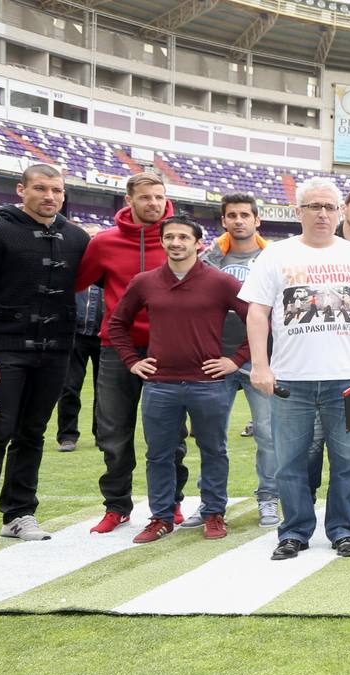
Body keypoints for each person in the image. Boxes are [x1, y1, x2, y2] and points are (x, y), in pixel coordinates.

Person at [242, 176, 350, 561]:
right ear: (298, 212)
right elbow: (257, 312)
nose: (322, 214)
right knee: (289, 463)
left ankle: (341, 529)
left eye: (328, 207)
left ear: (339, 212)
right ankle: (294, 532)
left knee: (348, 461)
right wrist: (260, 365)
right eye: (314, 207)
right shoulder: (275, 255)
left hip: (347, 377)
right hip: (291, 379)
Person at [0, 164, 89, 558]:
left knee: (32, 433)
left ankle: (19, 513)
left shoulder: (76, 237)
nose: (50, 196)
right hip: (3, 351)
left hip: (55, 351)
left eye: (57, 190)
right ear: (22, 190)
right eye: (42, 188)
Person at [107, 215, 248, 543]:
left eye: (183, 237)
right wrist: (132, 361)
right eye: (170, 237)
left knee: (214, 450)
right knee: (159, 454)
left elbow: (257, 318)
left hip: (209, 384)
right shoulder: (145, 281)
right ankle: (161, 516)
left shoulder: (220, 282)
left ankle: (213, 513)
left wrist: (235, 360)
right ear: (162, 241)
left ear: (197, 243)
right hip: (160, 385)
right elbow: (117, 325)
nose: (176, 243)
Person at [75, 170, 190, 534]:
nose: (153, 203)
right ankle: (117, 506)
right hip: (116, 349)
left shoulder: (179, 239)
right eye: (145, 197)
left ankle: (171, 505)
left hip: (169, 349)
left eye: (159, 196)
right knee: (113, 431)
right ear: (130, 201)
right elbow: (79, 282)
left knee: (171, 434)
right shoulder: (104, 244)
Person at [201, 192, 280, 527]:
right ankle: (211, 504)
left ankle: (269, 498)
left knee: (267, 434)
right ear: (223, 221)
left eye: (245, 215)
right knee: (211, 435)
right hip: (216, 357)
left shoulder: (273, 258)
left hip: (261, 359)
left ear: (256, 220)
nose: (238, 221)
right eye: (231, 215)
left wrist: (249, 357)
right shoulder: (209, 259)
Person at [54, 222, 104, 453]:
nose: (92, 242)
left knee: (104, 390)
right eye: (88, 237)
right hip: (74, 335)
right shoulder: (71, 268)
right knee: (69, 387)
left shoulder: (107, 266)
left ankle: (102, 434)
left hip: (104, 336)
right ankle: (67, 435)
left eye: (96, 238)